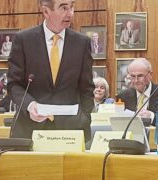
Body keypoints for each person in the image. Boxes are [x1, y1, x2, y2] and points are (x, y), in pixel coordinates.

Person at [8, 0, 94, 142]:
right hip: (30, 129)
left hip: (71, 130)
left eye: (72, 7)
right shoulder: (24, 40)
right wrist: (30, 105)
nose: (70, 14)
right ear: (46, 11)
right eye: (64, 8)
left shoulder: (82, 43)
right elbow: (14, 84)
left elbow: (87, 87)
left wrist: (85, 117)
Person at [116, 58, 158, 126]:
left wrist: (152, 116)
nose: (136, 80)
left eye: (140, 76)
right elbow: (118, 122)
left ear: (150, 75)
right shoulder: (122, 96)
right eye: (133, 76)